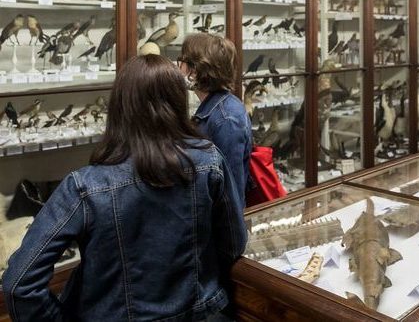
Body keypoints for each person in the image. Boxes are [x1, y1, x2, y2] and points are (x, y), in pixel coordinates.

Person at [2, 55, 247, 322]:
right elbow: (233, 243)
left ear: (119, 106)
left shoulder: (84, 186)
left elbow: (19, 284)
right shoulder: (209, 161)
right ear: (178, 102)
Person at [178, 33, 252, 208]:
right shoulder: (214, 108)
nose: (178, 67)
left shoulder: (227, 119)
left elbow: (230, 191)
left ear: (195, 70)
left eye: (181, 60)